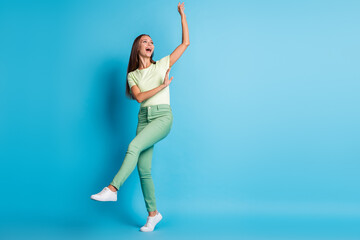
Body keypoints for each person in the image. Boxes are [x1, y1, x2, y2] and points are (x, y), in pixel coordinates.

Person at [90, 2, 190, 232]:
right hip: (143, 118)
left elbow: (185, 43)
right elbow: (139, 97)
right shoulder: (132, 75)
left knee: (133, 146)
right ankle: (153, 214)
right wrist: (162, 86)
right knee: (144, 170)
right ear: (137, 48)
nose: (150, 44)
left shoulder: (162, 64)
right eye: (145, 41)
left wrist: (182, 15)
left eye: (151, 42)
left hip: (162, 117)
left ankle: (112, 189)